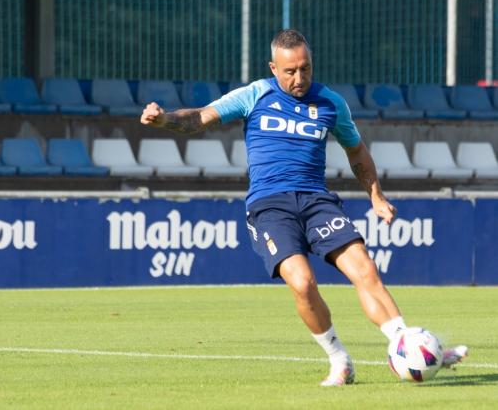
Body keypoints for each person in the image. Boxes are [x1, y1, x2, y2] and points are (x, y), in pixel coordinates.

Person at [140, 29, 467, 386]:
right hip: (270, 205)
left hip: (315, 200)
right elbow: (200, 117)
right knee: (302, 281)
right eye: (290, 71)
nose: (299, 78)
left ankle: (412, 345)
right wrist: (165, 119)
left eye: (305, 69)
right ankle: (339, 359)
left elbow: (355, 149)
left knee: (364, 269)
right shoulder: (255, 94)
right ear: (273, 68)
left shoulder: (330, 103)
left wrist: (375, 194)